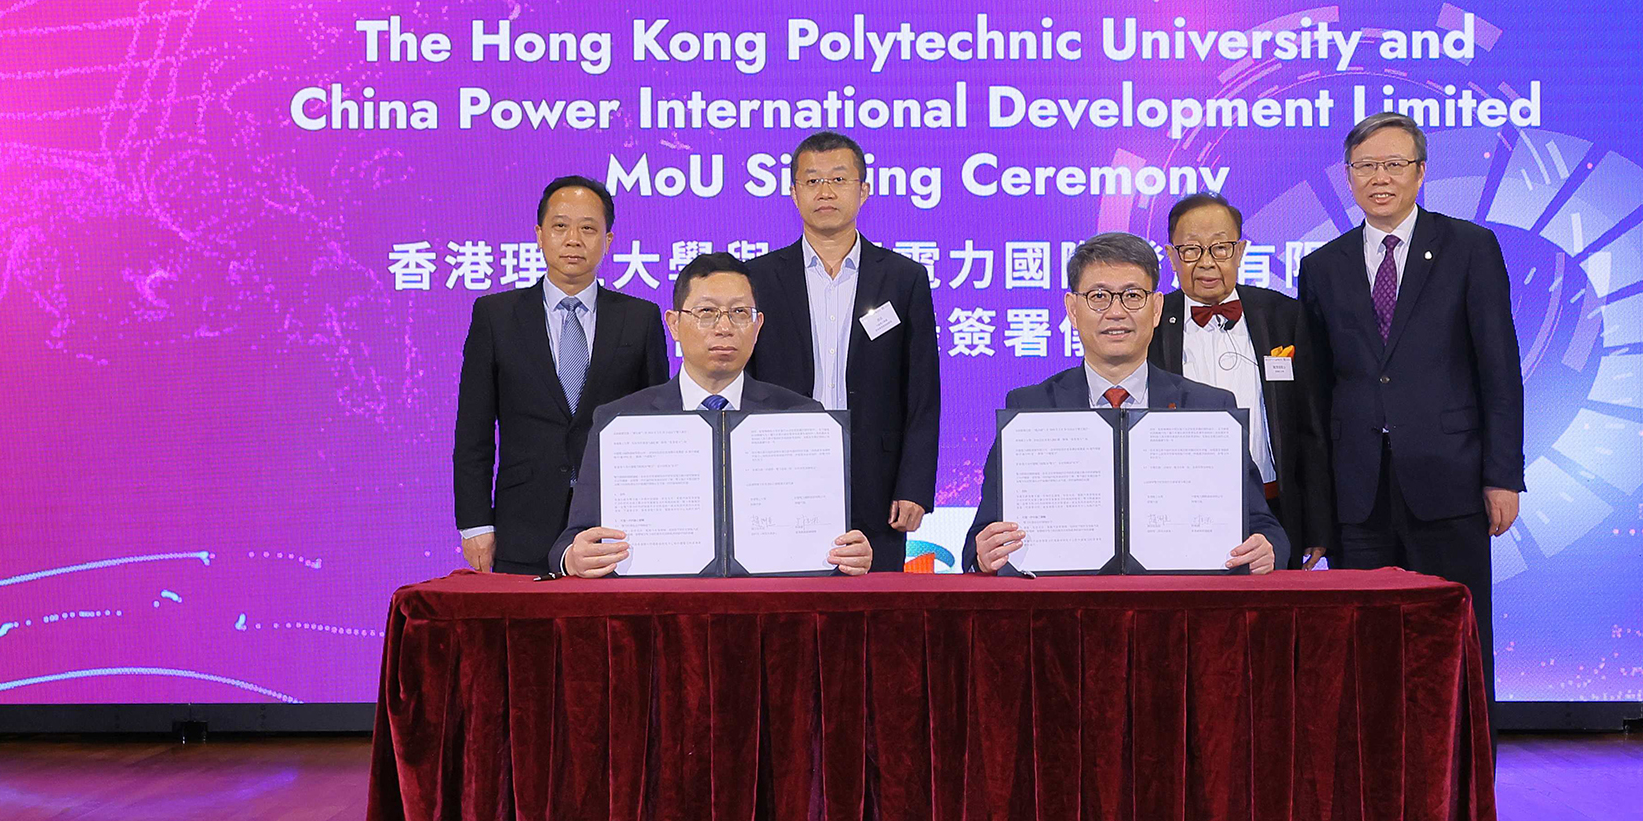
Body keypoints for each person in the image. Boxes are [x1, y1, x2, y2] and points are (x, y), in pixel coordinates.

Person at [1297, 111, 1524, 696]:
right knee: (1363, 649)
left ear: (1420, 172)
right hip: (1358, 492)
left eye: (1394, 164)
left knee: (1452, 644)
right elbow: (1316, 394)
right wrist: (1317, 507)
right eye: (1366, 166)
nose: (1380, 178)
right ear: (1348, 176)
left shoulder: (1469, 247)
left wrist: (1503, 476)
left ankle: (1462, 757)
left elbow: (1499, 371)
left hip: (1450, 481)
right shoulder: (1322, 266)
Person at [963, 231, 1288, 575]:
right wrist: (984, 555)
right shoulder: (1030, 409)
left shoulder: (1209, 408)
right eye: (1098, 296)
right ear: (1072, 309)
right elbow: (978, 540)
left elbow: (1264, 527)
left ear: (1157, 308)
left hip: (1178, 602)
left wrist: (1266, 549)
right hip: (1065, 604)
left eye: (1133, 295)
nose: (1116, 312)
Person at [549, 253, 873, 577]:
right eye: (707, 312)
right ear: (674, 324)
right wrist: (573, 558)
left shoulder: (804, 419)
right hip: (660, 603)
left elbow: (835, 536)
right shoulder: (620, 422)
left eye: (739, 313)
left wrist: (853, 553)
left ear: (757, 326)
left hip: (771, 603)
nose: (724, 328)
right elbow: (572, 539)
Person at [453, 176, 669, 574]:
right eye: (560, 226)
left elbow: (655, 429)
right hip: (521, 524)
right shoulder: (496, 317)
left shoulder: (640, 318)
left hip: (614, 527)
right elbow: (473, 433)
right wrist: (475, 524)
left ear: (608, 240)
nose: (573, 239)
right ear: (539, 235)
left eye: (588, 228)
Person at [746, 131, 940, 572]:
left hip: (877, 478)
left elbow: (922, 391)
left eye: (838, 179)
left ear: (863, 190)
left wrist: (914, 485)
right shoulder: (758, 279)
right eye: (812, 180)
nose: (826, 191)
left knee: (875, 603)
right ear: (794, 192)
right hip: (778, 472)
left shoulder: (903, 278)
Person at [1149, 192, 1338, 568]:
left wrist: (1318, 524)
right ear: (1171, 256)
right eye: (1191, 250)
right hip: (1175, 514)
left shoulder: (1283, 315)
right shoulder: (1150, 323)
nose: (1206, 262)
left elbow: (1310, 427)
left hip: (1272, 510)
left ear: (1240, 251)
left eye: (1220, 247)